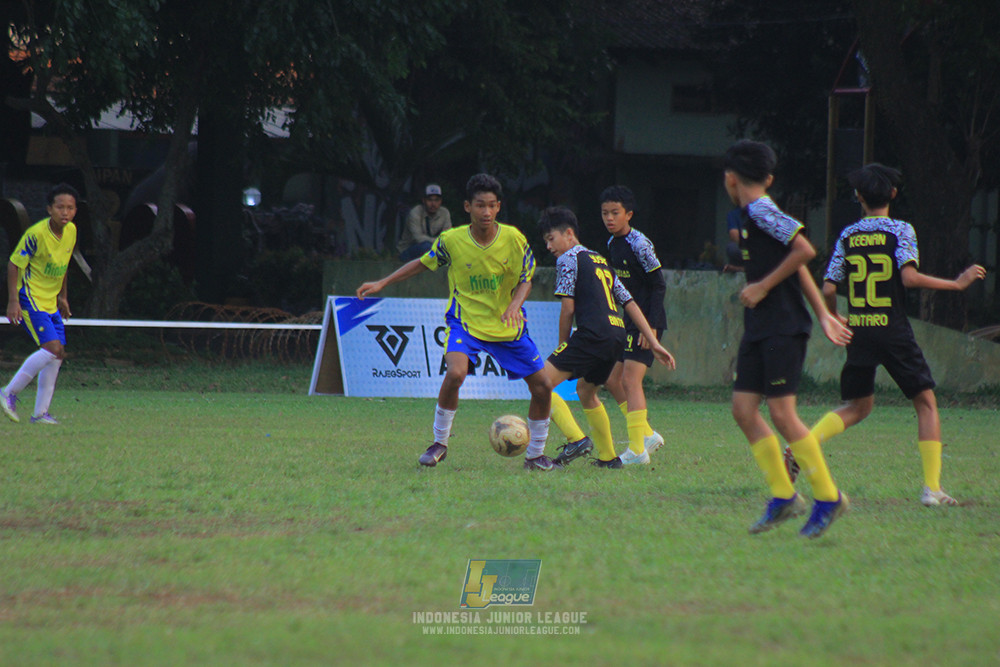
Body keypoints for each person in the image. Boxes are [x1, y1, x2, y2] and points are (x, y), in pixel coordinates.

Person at [808, 163, 986, 507]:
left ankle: (806, 444)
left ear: (859, 197)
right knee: (926, 403)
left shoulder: (848, 235)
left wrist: (833, 316)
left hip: (858, 329)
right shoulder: (901, 230)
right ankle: (932, 489)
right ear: (892, 194)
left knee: (857, 406)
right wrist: (956, 283)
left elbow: (829, 287)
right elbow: (909, 279)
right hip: (892, 328)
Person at [358, 173, 561, 471]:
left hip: (507, 326)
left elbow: (526, 276)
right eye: (480, 205)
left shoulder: (514, 239)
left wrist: (516, 304)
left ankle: (536, 455)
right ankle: (439, 443)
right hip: (465, 323)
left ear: (499, 207)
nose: (486, 212)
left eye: (492, 206)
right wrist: (383, 282)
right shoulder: (451, 240)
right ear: (468, 207)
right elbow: (422, 263)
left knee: (543, 386)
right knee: (455, 373)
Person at [723, 140, 853, 538]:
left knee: (782, 414)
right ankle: (783, 496)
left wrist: (761, 286)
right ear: (768, 177)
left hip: (782, 325)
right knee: (744, 409)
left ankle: (828, 497)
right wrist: (826, 314)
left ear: (730, 179)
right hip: (762, 326)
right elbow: (796, 267)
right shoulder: (752, 215)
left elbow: (804, 250)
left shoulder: (762, 210)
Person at [537, 207, 675, 468]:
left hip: (592, 334)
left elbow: (568, 309)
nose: (548, 246)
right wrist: (654, 341)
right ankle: (608, 458)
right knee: (586, 391)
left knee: (540, 384)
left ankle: (576, 439)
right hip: (616, 335)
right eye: (545, 241)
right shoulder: (601, 260)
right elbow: (630, 303)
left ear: (568, 234)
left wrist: (563, 345)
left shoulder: (568, 259)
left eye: (551, 238)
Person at [598, 185, 669, 465]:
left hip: (647, 323)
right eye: (605, 213)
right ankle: (647, 435)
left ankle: (637, 450)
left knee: (630, 380)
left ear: (629, 214)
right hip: (627, 322)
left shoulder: (640, 244)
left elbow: (658, 285)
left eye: (615, 213)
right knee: (611, 379)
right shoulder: (611, 244)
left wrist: (649, 328)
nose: (609, 218)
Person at [0, 183, 79, 425]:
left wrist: (62, 296)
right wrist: (13, 301)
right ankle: (8, 392)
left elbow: (63, 265)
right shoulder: (36, 234)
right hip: (31, 298)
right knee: (52, 349)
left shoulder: (71, 231)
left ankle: (40, 414)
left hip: (51, 301)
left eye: (70, 208)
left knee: (58, 355)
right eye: (60, 207)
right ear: (49, 209)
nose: (65, 212)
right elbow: (14, 264)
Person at [397, 183, 452, 262]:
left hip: (433, 249)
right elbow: (418, 238)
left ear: (440, 201)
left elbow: (447, 237)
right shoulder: (415, 212)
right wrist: (438, 243)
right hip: (409, 251)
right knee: (427, 247)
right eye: (430, 200)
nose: (433, 204)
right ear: (424, 200)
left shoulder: (444, 213)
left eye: (436, 200)